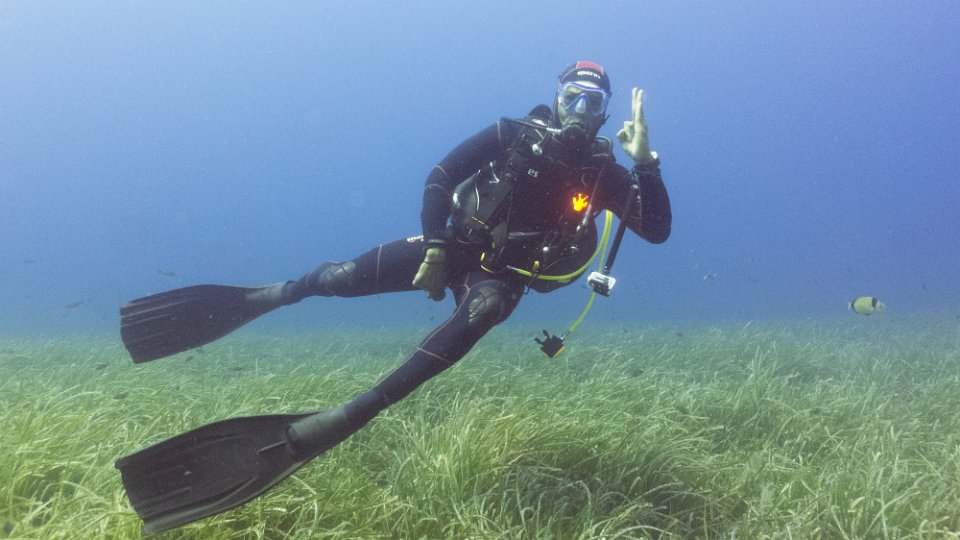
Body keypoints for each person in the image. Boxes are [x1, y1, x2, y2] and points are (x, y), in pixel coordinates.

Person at [115, 61, 672, 533]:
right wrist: (435, 247)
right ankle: (273, 295)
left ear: (605, 114)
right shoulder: (512, 134)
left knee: (485, 309)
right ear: (557, 97)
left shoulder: (604, 175)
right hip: (452, 246)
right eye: (573, 96)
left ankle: (345, 416)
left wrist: (646, 162)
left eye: (593, 103)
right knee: (338, 278)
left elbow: (657, 229)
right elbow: (440, 176)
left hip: (502, 278)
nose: (581, 110)